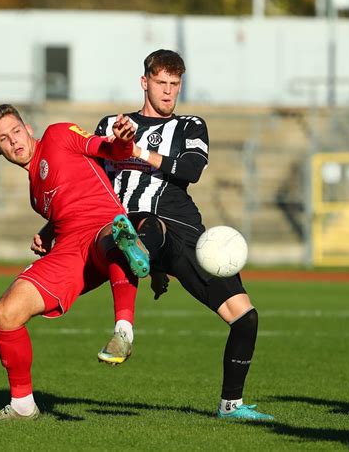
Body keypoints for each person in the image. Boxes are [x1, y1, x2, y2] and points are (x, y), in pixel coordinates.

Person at [95, 49, 274, 421]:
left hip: (187, 232)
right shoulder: (110, 124)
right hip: (134, 221)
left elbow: (191, 169)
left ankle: (231, 405)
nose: (167, 91)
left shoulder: (191, 125)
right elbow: (91, 179)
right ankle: (141, 256)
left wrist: (137, 151)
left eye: (174, 84)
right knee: (144, 222)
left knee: (246, 318)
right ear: (144, 82)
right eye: (161, 82)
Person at [0, 104, 149, 421]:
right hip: (69, 250)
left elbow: (110, 150)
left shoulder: (58, 134)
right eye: (4, 139)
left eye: (16, 131)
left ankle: (123, 331)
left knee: (115, 238)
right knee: (5, 313)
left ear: (28, 128)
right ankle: (22, 406)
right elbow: (65, 210)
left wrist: (125, 140)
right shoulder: (35, 193)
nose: (14, 141)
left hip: (102, 226)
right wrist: (48, 231)